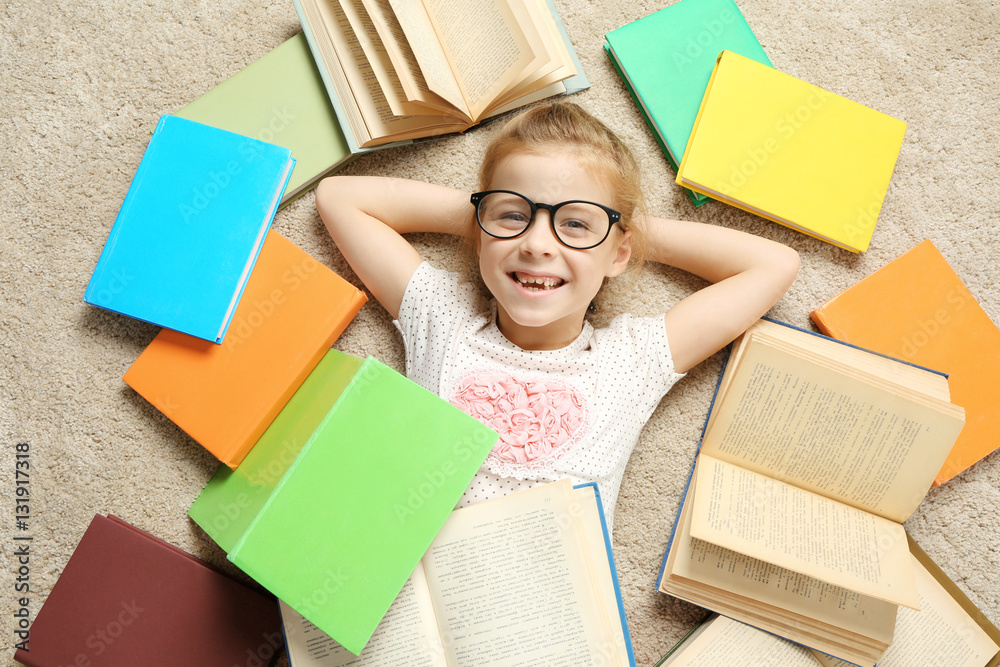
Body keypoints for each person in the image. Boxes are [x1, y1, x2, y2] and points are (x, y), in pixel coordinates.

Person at [316, 101, 799, 524]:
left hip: (555, 619)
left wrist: (620, 233)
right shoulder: (443, 317)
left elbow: (773, 265)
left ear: (619, 254)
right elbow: (340, 198)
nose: (537, 244)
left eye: (574, 224)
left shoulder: (632, 360)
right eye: (513, 216)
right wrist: (483, 217)